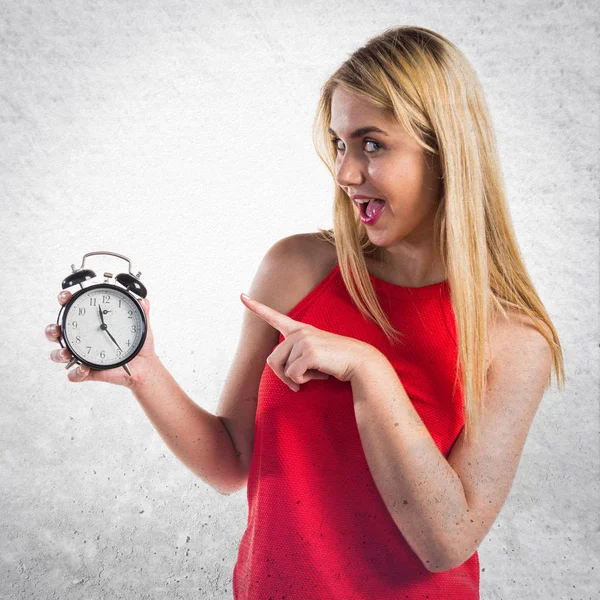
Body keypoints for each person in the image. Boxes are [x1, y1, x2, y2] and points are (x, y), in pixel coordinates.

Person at [46, 25, 565, 600]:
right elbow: (231, 463)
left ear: (444, 151)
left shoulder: (514, 338)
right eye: (341, 144)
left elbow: (445, 542)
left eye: (372, 144)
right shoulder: (296, 269)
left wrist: (369, 371)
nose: (345, 173)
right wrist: (143, 370)